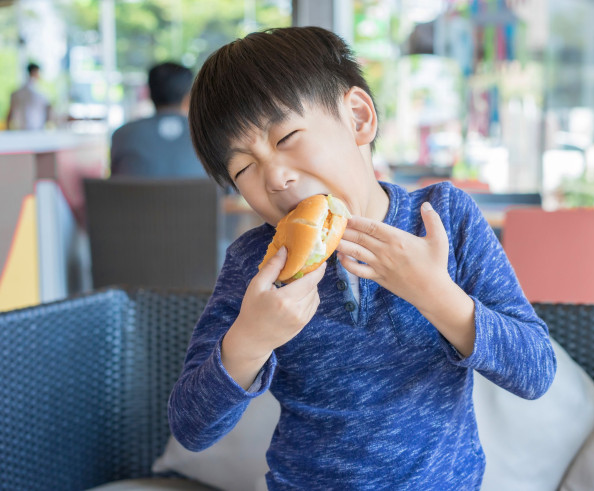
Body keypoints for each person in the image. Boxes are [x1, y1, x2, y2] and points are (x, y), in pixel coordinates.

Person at [169, 27, 556, 489]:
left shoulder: (445, 218)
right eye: (244, 168)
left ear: (358, 118)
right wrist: (250, 339)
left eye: (287, 136)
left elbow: (536, 371)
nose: (275, 177)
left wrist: (436, 296)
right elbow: (191, 428)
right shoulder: (254, 264)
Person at [110, 62, 205, 178]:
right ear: (188, 95)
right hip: (196, 196)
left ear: (149, 93)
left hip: (137, 196)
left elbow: (114, 186)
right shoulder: (207, 134)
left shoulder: (122, 135)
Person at [6, 62, 52, 131]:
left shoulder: (16, 93)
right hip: (37, 131)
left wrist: (8, 130)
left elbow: (10, 114)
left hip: (21, 131)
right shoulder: (42, 94)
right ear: (35, 72)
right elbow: (49, 113)